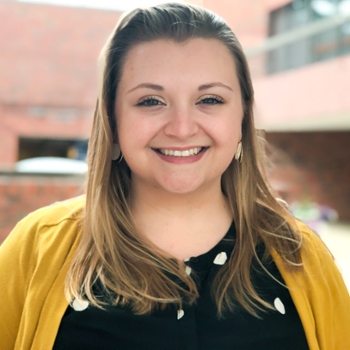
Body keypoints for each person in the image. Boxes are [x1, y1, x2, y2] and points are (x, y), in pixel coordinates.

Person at [0, 3, 349, 349]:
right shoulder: (36, 248)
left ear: (242, 117)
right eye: (151, 101)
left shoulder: (303, 257)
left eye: (210, 99)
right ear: (112, 120)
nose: (182, 128)